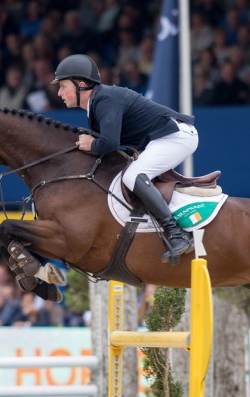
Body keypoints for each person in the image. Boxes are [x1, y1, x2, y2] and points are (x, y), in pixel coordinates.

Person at [52, 54, 197, 264]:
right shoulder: (96, 104)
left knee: (134, 175)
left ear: (81, 84)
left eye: (63, 86)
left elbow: (109, 143)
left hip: (176, 137)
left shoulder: (104, 99)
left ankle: (177, 234)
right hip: (160, 140)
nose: (59, 93)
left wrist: (91, 144)